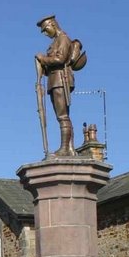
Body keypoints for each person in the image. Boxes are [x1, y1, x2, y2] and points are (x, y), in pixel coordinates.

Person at [36, 15, 77, 156]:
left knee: (63, 116)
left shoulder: (63, 38)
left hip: (60, 80)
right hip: (54, 81)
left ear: (53, 24)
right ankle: (69, 148)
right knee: (61, 116)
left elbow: (60, 59)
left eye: (46, 29)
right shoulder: (55, 42)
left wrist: (44, 59)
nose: (45, 33)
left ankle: (66, 148)